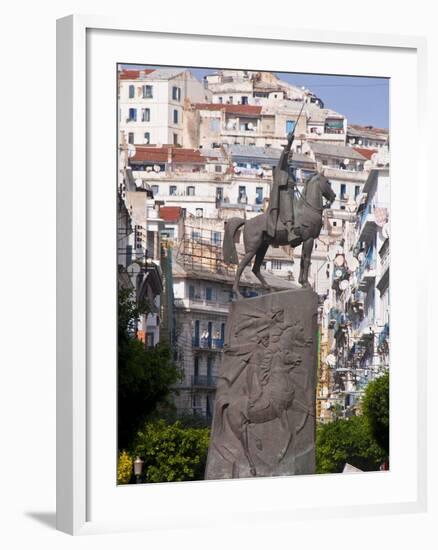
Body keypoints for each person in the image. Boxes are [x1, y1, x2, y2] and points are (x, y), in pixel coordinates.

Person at [266, 131, 298, 242]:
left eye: (291, 156)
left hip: (291, 192)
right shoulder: (282, 165)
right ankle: (289, 231)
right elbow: (284, 154)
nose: (290, 158)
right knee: (288, 202)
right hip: (283, 193)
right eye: (289, 156)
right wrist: (290, 142)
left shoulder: (290, 170)